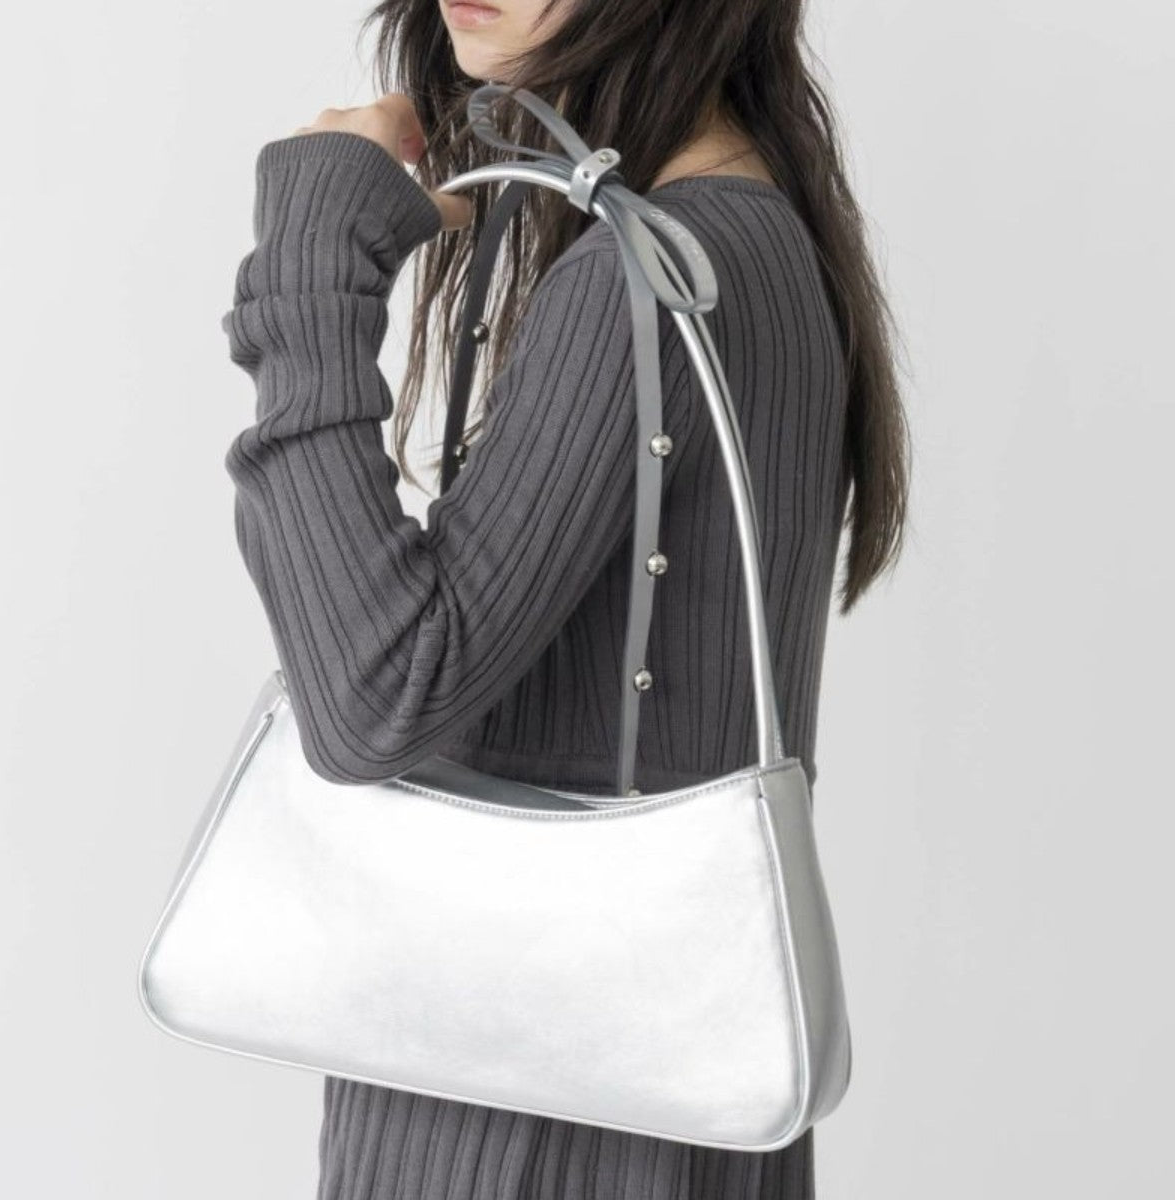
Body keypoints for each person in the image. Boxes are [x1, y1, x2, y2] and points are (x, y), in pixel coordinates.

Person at [218, 0, 909, 1196]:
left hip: (530, 1118)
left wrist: (307, 272)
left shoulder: (641, 282)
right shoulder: (747, 238)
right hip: (645, 1091)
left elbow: (375, 700)